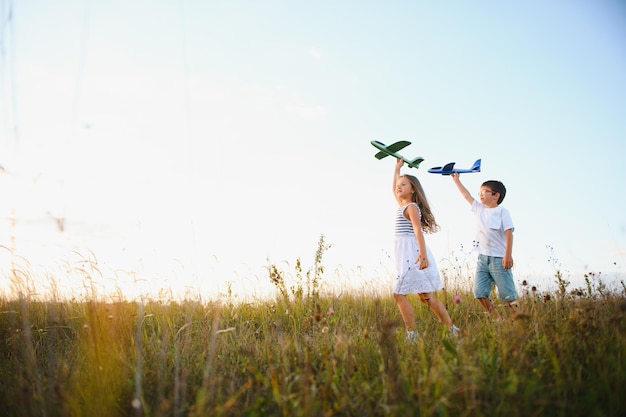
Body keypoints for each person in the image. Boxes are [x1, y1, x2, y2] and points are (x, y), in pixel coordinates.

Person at [391, 158, 459, 341]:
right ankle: (451, 329)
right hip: (405, 254)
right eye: (398, 185)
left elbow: (417, 230)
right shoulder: (403, 206)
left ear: (413, 189)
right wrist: (397, 169)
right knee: (424, 295)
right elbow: (393, 189)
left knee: (399, 294)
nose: (398, 187)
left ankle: (412, 334)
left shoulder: (411, 207)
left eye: (403, 184)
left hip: (412, 254)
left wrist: (422, 254)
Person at [450, 172, 519, 318]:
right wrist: (456, 180)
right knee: (479, 292)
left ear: (496, 195)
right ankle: (497, 319)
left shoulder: (502, 211)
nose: (480, 195)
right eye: (479, 192)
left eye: (484, 192)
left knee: (508, 295)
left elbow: (509, 233)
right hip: (483, 259)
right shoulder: (480, 209)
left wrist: (508, 255)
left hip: (499, 259)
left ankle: (518, 322)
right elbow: (466, 195)